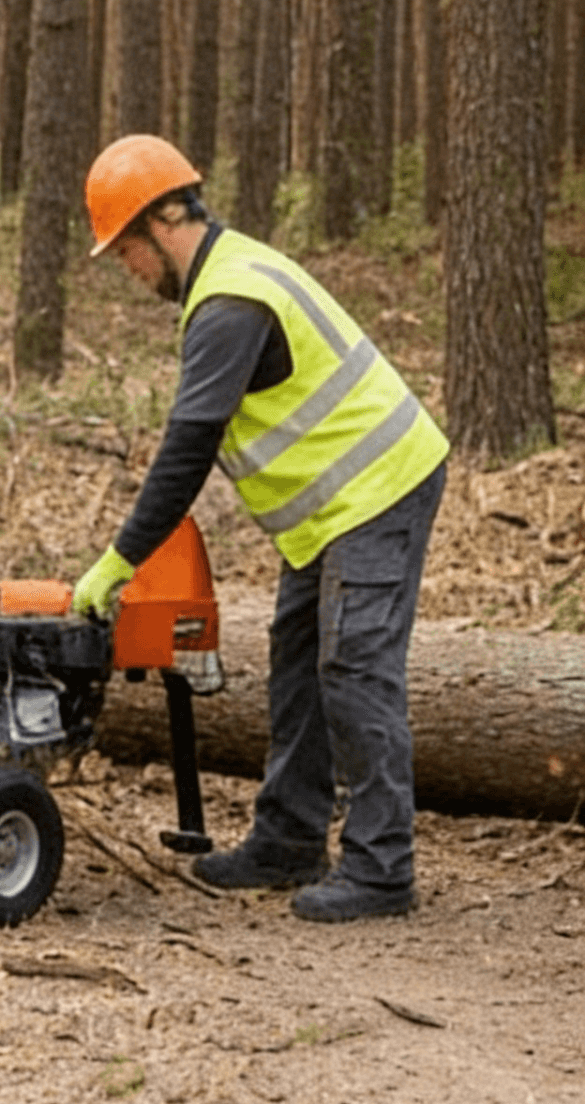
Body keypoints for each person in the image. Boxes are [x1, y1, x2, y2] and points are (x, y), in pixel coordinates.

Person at [71, 135, 448, 923]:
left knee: (353, 667)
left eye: (127, 254)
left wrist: (120, 560)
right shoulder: (228, 277)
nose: (131, 274)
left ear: (163, 220)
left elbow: (188, 449)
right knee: (299, 660)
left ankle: (383, 871)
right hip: (330, 512)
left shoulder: (230, 303)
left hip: (379, 486)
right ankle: (288, 842)